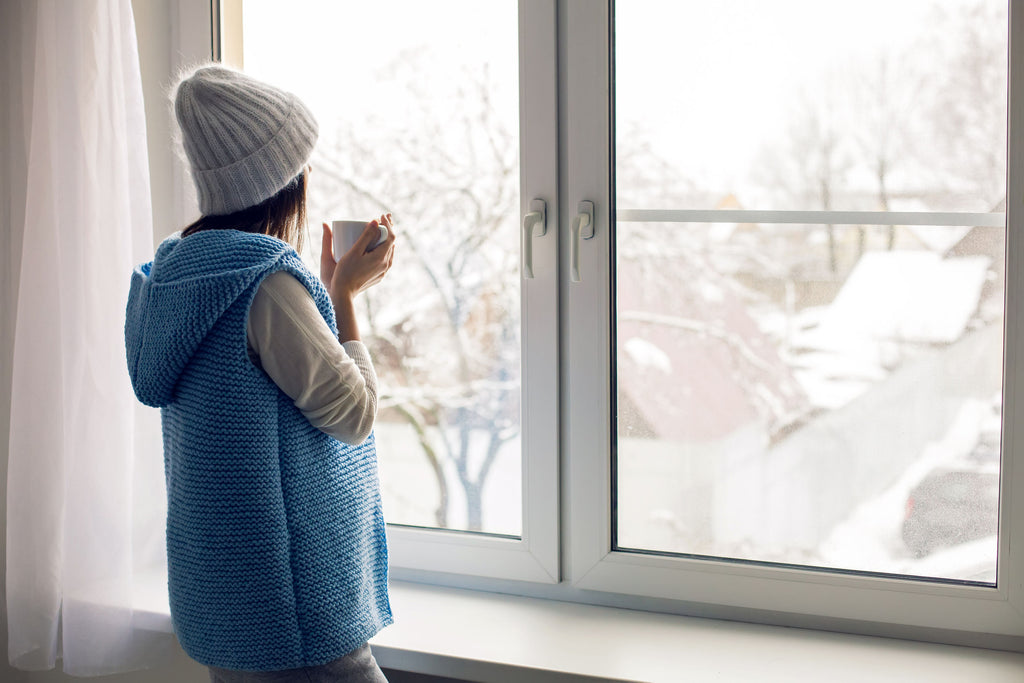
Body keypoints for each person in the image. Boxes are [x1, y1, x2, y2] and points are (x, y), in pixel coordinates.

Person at [124, 63, 395, 682]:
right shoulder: (264, 283)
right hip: (296, 609)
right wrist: (345, 295)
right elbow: (353, 417)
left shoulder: (175, 275)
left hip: (229, 604)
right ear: (278, 181)